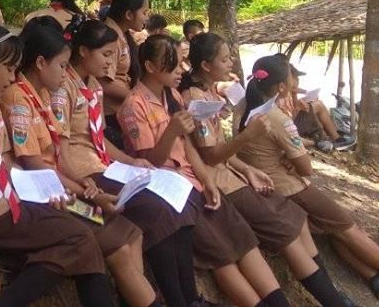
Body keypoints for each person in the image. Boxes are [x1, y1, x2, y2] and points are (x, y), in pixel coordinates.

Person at [0, 25, 117, 307]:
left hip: (9, 198)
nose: (13, 77)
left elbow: (7, 162)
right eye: (9, 69)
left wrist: (45, 191)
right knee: (79, 239)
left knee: (86, 221)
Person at [237, 55, 379, 302]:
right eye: (292, 75)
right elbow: (306, 168)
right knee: (347, 225)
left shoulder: (243, 108)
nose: (295, 80)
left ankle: (378, 280)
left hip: (267, 187)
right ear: (281, 86)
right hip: (289, 187)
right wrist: (294, 156)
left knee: (333, 229)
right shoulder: (278, 118)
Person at [182, 34, 358, 307]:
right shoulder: (194, 98)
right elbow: (210, 154)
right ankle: (333, 300)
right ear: (206, 66)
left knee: (296, 219)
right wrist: (245, 138)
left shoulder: (209, 93)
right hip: (222, 183)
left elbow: (219, 151)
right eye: (225, 58)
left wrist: (248, 169)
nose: (231, 62)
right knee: (286, 231)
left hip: (234, 176)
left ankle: (334, 296)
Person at [120, 34, 291, 307]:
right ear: (151, 67)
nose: (180, 70)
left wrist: (206, 180)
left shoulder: (172, 96)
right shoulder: (134, 105)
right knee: (216, 251)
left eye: (180, 63)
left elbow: (188, 147)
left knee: (242, 240)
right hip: (167, 186)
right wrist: (172, 131)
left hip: (193, 183)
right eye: (172, 64)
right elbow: (149, 160)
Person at [3, 17, 162, 307]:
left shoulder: (39, 94)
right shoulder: (19, 97)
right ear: (40, 63)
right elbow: (33, 160)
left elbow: (59, 150)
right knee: (113, 247)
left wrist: (82, 185)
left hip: (64, 185)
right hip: (50, 191)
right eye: (62, 66)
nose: (64, 74)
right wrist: (81, 188)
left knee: (132, 234)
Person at [58, 19, 206, 307]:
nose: (112, 63)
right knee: (156, 209)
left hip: (104, 164)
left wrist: (131, 160)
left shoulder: (93, 87)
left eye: (115, 54)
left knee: (172, 203)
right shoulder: (63, 89)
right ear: (83, 51)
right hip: (84, 170)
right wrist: (79, 184)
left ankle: (189, 298)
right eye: (106, 54)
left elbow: (98, 136)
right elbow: (60, 149)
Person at [100, 0, 150, 147]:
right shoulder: (111, 37)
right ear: (129, 14)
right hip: (111, 113)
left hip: (121, 107)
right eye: (144, 13)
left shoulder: (123, 35)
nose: (146, 18)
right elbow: (102, 83)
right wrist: (137, 100)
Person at [283, 64, 355, 151]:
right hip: (289, 128)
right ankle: (335, 139)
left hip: (292, 122)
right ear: (289, 78)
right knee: (318, 105)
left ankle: (329, 137)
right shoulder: (282, 95)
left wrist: (303, 98)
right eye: (296, 78)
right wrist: (298, 107)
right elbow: (286, 121)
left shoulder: (289, 91)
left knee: (317, 104)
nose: (298, 80)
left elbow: (293, 105)